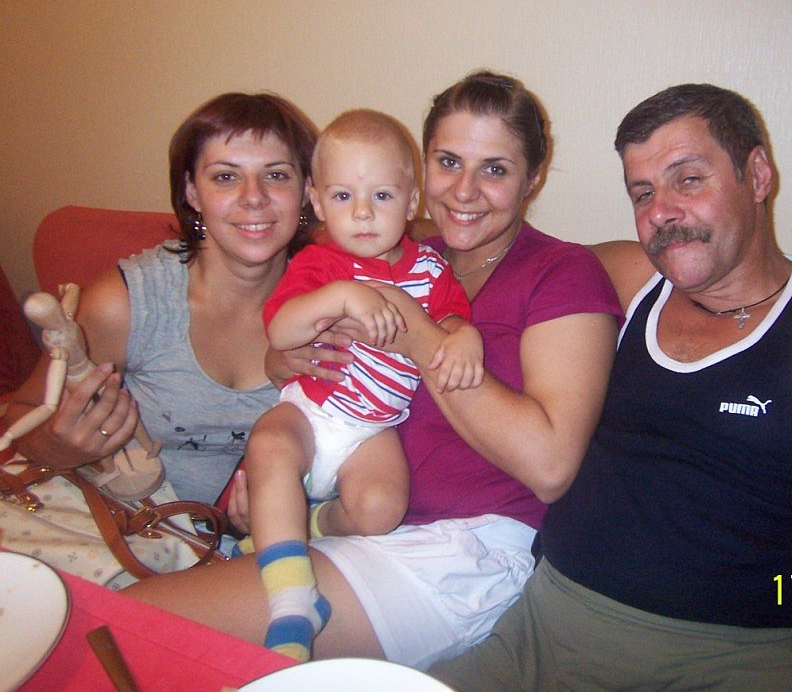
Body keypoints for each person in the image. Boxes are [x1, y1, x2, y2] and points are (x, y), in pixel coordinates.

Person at [429, 84, 792, 692]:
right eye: (642, 193)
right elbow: (481, 241)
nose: (661, 212)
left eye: (688, 179)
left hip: (753, 661)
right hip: (542, 631)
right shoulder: (620, 282)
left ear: (758, 174)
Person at [124, 71, 623, 670]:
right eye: (449, 162)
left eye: (495, 169)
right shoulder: (399, 254)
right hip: (359, 513)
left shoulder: (561, 273)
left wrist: (412, 326)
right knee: (137, 627)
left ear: (533, 177)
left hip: (461, 550)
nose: (465, 191)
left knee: (137, 629)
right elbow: (303, 342)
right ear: (421, 172)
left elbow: (550, 468)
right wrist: (283, 366)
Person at [5, 92, 318, 515]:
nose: (253, 197)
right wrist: (59, 448)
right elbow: (20, 413)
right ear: (192, 191)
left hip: (249, 542)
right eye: (226, 177)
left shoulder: (332, 306)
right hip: (121, 525)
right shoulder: (127, 303)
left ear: (306, 191)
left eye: (276, 175)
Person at [245, 109, 482, 661]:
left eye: (382, 196)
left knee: (381, 510)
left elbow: (451, 322)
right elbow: (281, 331)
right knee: (268, 444)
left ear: (412, 200)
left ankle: (306, 524)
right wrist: (341, 296)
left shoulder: (431, 270)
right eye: (343, 196)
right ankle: (292, 602)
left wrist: (465, 336)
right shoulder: (319, 264)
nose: (363, 213)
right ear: (317, 201)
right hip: (311, 409)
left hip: (374, 430)